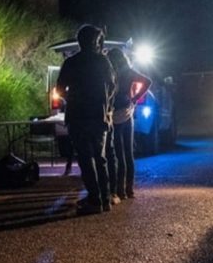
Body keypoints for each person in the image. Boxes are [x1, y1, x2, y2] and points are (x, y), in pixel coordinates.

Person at [56, 24, 116, 215]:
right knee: (101, 158)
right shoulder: (103, 61)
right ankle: (104, 199)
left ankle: (94, 199)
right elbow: (113, 86)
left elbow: (59, 90)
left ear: (79, 41)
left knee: (85, 158)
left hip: (77, 116)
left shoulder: (71, 63)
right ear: (95, 41)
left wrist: (72, 98)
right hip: (99, 115)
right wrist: (105, 102)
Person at [107, 47, 152, 199]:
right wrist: (135, 98)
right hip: (128, 112)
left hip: (116, 114)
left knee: (118, 154)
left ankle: (119, 190)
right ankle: (129, 188)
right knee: (128, 153)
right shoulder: (129, 71)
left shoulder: (111, 73)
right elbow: (147, 81)